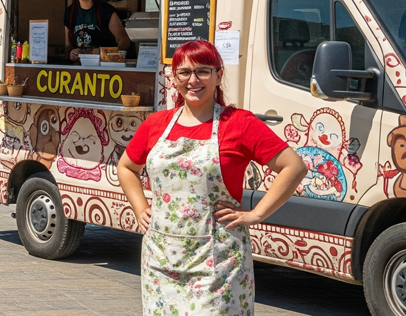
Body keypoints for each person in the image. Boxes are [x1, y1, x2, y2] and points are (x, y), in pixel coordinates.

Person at [117, 40, 306, 315]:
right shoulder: (156, 124)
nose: (193, 80)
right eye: (184, 72)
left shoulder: (239, 123)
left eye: (203, 71)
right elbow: (126, 167)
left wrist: (257, 214)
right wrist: (140, 207)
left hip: (218, 264)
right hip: (161, 259)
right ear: (175, 78)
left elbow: (294, 167)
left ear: (218, 75)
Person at [63, 0, 130, 61]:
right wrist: (72, 53)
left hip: (104, 66)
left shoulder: (106, 10)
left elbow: (124, 41)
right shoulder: (69, 12)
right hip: (80, 67)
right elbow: (68, 45)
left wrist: (103, 53)